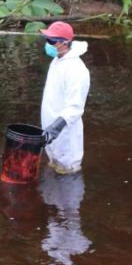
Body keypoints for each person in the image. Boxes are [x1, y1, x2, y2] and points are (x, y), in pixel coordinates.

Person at [39, 21, 91, 174]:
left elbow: (75, 108)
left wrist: (54, 129)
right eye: (47, 40)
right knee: (53, 169)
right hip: (50, 130)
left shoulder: (76, 69)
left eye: (51, 41)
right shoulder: (58, 60)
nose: (47, 44)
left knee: (68, 174)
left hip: (65, 134)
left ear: (65, 43)